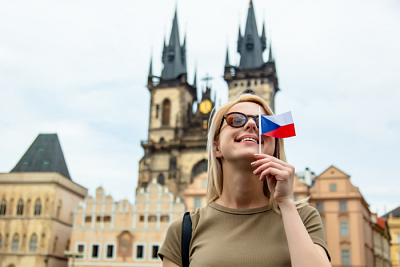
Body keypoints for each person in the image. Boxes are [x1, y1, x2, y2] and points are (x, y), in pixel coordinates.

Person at [159, 94, 331, 267]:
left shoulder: (303, 217)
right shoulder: (183, 231)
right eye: (235, 119)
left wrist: (286, 203)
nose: (251, 124)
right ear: (216, 147)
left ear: (274, 146)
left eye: (262, 122)